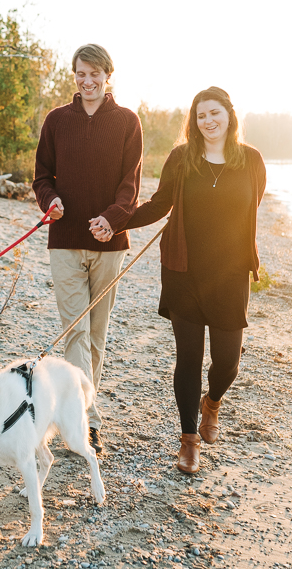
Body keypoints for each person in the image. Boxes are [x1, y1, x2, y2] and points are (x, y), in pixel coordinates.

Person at [111, 86, 265, 473]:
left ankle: (211, 402)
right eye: (200, 116)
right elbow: (160, 204)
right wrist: (115, 222)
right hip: (184, 272)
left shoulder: (251, 161)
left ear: (229, 116)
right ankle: (188, 440)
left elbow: (251, 205)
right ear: (194, 122)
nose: (208, 121)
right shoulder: (181, 158)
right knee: (189, 359)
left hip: (230, 276)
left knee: (228, 362)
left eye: (215, 113)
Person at [32, 43, 143, 455]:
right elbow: (42, 176)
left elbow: (130, 186)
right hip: (64, 243)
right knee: (75, 332)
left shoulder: (128, 122)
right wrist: (51, 202)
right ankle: (86, 421)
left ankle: (82, 408)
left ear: (108, 75)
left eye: (95, 73)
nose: (87, 81)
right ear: (74, 76)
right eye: (81, 73)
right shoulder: (57, 120)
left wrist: (111, 218)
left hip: (109, 244)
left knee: (96, 335)